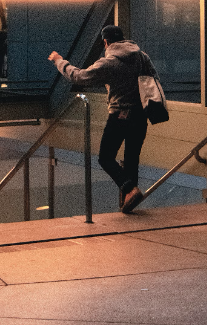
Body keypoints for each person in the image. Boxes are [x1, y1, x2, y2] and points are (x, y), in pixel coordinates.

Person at [49, 24, 160, 214]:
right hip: (141, 116)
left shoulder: (108, 62)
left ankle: (128, 189)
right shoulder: (142, 56)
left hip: (120, 115)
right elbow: (153, 80)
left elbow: (79, 77)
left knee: (105, 157)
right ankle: (129, 200)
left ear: (106, 42)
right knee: (131, 158)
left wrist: (60, 61)